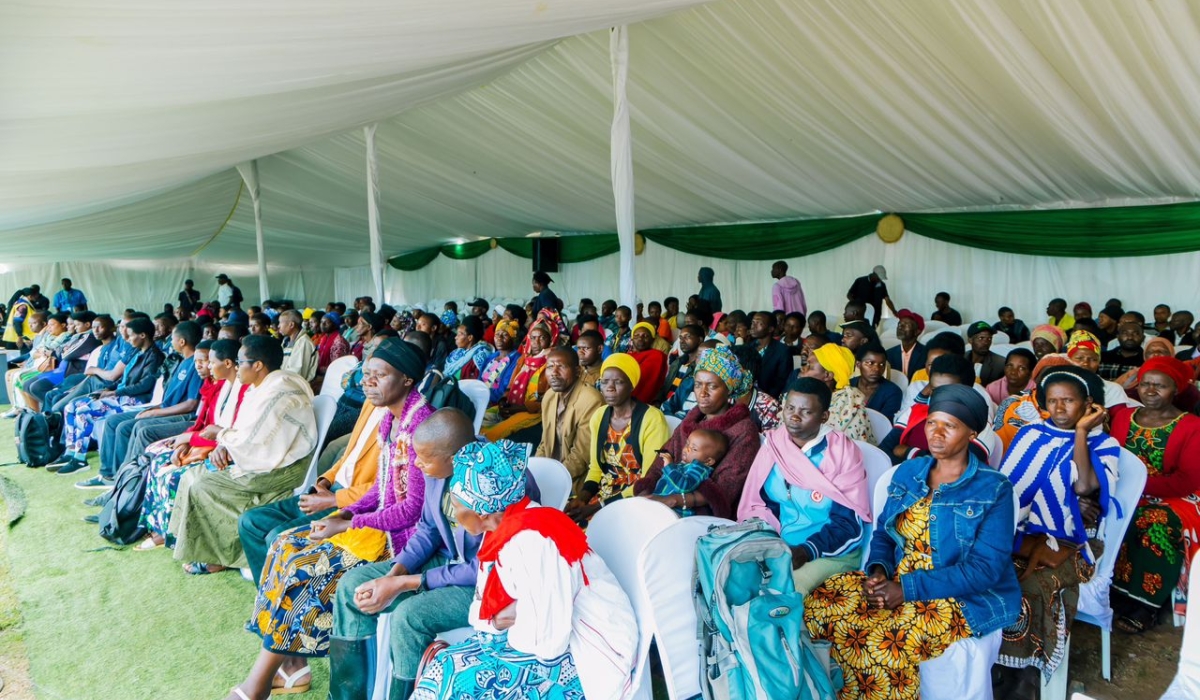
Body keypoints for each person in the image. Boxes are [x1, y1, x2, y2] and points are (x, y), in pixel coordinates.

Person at [225, 338, 433, 700]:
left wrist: (349, 523)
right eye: (366, 374)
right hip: (376, 527)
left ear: (407, 381)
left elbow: (411, 511)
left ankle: (259, 684)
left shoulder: (419, 428)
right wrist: (343, 513)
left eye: (379, 376)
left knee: (305, 568)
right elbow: (382, 490)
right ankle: (288, 665)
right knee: (283, 546)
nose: (368, 382)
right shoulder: (391, 421)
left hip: (403, 546)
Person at [804, 384, 1020, 700]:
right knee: (819, 604)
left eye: (950, 426)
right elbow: (883, 534)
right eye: (932, 422)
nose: (936, 433)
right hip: (898, 576)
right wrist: (878, 570)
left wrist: (906, 589)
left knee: (882, 643)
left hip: (958, 594)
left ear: (972, 432)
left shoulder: (993, 489)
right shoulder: (909, 473)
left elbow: (984, 570)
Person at [327, 414, 543, 700]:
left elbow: (487, 565)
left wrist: (407, 584)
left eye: (425, 458)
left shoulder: (497, 478)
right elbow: (428, 529)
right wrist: (393, 574)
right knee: (354, 585)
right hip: (447, 561)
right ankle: (347, 696)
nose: (417, 463)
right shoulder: (437, 472)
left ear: (453, 458)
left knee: (409, 617)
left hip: (488, 583)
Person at [412, 440, 636, 700]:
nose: (453, 512)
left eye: (457, 505)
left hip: (588, 654)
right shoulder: (499, 532)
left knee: (462, 685)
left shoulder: (536, 540)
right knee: (441, 667)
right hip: (536, 640)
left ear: (481, 511)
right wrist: (500, 619)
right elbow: (481, 610)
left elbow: (547, 642)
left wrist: (505, 619)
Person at [995, 367, 1117, 695]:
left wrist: (1081, 433)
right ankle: (997, 665)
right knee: (987, 573)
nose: (1060, 408)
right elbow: (1009, 488)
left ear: (1088, 404)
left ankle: (1027, 678)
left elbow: (1086, 485)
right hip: (1017, 533)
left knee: (1033, 587)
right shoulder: (1030, 435)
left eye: (1069, 401)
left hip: (1072, 542)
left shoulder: (1105, 444)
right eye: (1053, 401)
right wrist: (1064, 503)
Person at [169, 335, 317, 575]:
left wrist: (222, 437)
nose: (236, 367)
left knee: (202, 484)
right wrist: (225, 444)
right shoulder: (265, 385)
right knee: (192, 475)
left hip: (284, 468)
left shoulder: (278, 391)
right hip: (267, 457)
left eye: (240, 361)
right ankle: (195, 543)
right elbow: (248, 433)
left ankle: (221, 556)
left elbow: (253, 442)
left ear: (257, 365)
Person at [739, 378, 872, 594]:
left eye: (806, 411)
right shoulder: (774, 445)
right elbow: (762, 504)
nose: (794, 416)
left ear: (824, 416)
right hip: (782, 544)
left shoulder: (842, 453)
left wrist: (806, 550)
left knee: (786, 590)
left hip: (829, 549)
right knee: (737, 577)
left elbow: (849, 527)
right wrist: (767, 540)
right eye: (790, 407)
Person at [1109, 357, 1200, 633]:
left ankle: (1147, 605)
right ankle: (1114, 592)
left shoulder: (1192, 426)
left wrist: (1135, 487)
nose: (1150, 390)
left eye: (1160, 386)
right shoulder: (1123, 416)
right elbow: (1111, 460)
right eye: (1146, 383)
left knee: (1153, 522)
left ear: (1175, 390)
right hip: (1126, 490)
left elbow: (1187, 480)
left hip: (1177, 497)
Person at [137, 340, 244, 549]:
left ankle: (173, 532)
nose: (208, 367)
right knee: (159, 461)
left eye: (211, 362)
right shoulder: (222, 386)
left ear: (229, 363)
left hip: (223, 451)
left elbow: (226, 431)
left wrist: (189, 439)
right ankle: (158, 526)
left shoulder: (241, 389)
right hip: (208, 443)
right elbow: (204, 424)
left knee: (174, 475)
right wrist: (185, 442)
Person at [635, 345, 760, 519]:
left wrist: (674, 500)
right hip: (664, 501)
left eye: (712, 386)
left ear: (728, 389)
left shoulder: (743, 430)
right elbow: (663, 457)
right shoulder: (691, 421)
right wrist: (646, 490)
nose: (702, 393)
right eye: (698, 385)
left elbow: (726, 487)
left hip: (703, 516)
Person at [76, 321, 204, 489]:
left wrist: (155, 413)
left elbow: (191, 404)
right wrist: (155, 409)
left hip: (176, 414)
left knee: (128, 427)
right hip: (163, 408)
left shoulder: (195, 365)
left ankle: (125, 480)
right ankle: (109, 473)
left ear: (182, 342)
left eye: (172, 338)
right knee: (113, 421)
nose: (169, 342)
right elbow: (167, 399)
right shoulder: (181, 361)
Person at [50, 316, 164, 476]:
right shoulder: (136, 352)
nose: (128, 338)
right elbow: (122, 380)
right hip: (122, 393)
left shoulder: (154, 356)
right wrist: (107, 390)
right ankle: (70, 451)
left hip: (137, 398)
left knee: (84, 411)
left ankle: (80, 459)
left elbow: (145, 385)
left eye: (131, 335)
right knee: (71, 407)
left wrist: (114, 393)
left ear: (143, 335)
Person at [565, 353, 670, 522]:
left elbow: (650, 479)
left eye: (618, 382)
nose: (610, 388)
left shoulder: (652, 420)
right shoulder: (599, 416)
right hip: (604, 493)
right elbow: (596, 469)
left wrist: (596, 506)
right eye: (605, 381)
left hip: (636, 497)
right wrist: (583, 499)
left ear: (632, 385)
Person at [534, 347, 604, 499]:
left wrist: (551, 479)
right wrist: (536, 472)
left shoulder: (591, 400)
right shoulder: (550, 396)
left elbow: (581, 456)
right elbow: (544, 443)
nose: (554, 372)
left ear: (578, 371)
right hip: (550, 473)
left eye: (562, 366)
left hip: (574, 481)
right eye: (550, 366)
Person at [482, 316, 558, 441]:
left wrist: (518, 408)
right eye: (533, 338)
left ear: (551, 340)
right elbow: (509, 387)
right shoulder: (523, 359)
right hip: (512, 406)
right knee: (480, 420)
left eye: (542, 338)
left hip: (533, 411)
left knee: (496, 432)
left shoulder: (553, 363)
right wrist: (503, 402)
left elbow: (547, 400)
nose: (536, 342)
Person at [804, 343, 873, 443]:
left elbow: (849, 448)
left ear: (827, 375)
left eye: (810, 367)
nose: (803, 370)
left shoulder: (851, 405)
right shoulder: (803, 395)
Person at [652, 428, 727, 516]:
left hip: (676, 514)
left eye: (694, 449)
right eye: (687, 443)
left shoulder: (700, 469)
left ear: (708, 461)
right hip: (660, 507)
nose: (687, 449)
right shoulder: (683, 464)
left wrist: (669, 466)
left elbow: (684, 486)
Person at [1064, 329, 1136, 408]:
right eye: (1079, 358)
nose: (1085, 363)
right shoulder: (1057, 386)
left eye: (1093, 359)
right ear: (1068, 360)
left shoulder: (1112, 389)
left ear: (1099, 362)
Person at [850, 343, 902, 422]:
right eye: (870, 363)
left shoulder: (893, 392)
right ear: (858, 364)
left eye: (881, 364)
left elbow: (884, 423)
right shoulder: (849, 384)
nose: (877, 369)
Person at [478, 321, 521, 404]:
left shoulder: (517, 360)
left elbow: (504, 389)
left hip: (494, 403)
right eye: (497, 334)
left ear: (513, 338)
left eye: (505, 335)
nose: (499, 338)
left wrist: (485, 397)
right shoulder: (491, 357)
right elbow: (479, 380)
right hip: (480, 398)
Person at [442, 316, 490, 381]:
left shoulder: (480, 356)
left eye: (460, 334)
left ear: (470, 337)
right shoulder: (458, 352)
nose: (456, 337)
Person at [887, 309, 928, 380]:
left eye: (906, 325)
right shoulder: (889, 354)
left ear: (917, 332)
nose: (900, 327)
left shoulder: (926, 353)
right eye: (899, 324)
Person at [278, 309, 317, 382]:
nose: (278, 326)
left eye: (280, 323)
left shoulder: (303, 343)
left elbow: (297, 373)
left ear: (291, 325)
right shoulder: (286, 341)